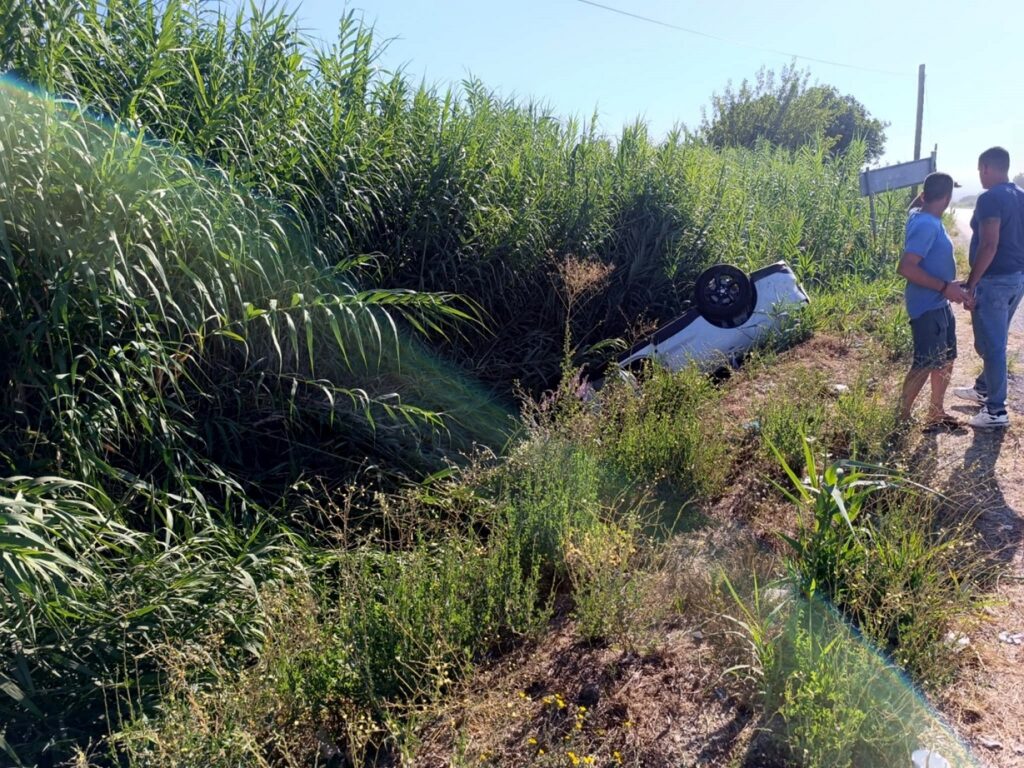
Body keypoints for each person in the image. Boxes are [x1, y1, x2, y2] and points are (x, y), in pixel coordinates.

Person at [954, 147, 1024, 428]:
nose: (980, 176)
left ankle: (996, 411)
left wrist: (971, 284)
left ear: (985, 168)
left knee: (990, 345)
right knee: (994, 339)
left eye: (980, 171)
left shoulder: (989, 198)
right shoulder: (1021, 196)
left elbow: (989, 244)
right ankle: (984, 389)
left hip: (994, 281)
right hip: (1016, 279)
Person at [898, 172, 969, 428]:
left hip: (940, 302)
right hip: (927, 305)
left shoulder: (921, 215)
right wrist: (944, 287)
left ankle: (935, 413)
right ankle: (901, 417)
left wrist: (952, 287)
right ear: (948, 198)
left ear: (924, 195)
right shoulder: (927, 224)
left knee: (946, 358)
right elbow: (906, 267)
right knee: (925, 362)